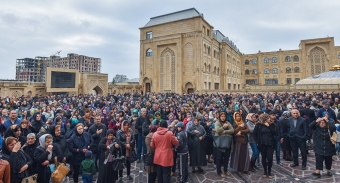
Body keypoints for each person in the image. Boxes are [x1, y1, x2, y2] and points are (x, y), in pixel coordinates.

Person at [253, 114, 277, 179]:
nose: (270, 119)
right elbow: (254, 133)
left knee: (270, 158)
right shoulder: (258, 125)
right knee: (264, 157)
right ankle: (265, 171)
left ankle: (269, 172)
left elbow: (275, 133)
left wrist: (269, 126)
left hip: (270, 143)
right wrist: (257, 142)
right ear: (264, 119)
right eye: (268, 118)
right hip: (262, 143)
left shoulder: (272, 125)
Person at [214, 112, 234, 178]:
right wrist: (224, 127)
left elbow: (232, 130)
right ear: (220, 117)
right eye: (222, 116)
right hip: (219, 144)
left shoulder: (228, 123)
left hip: (227, 143)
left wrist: (225, 132)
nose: (223, 117)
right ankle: (219, 171)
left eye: (224, 116)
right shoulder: (217, 123)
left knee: (226, 158)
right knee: (219, 158)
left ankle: (225, 170)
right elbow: (218, 130)